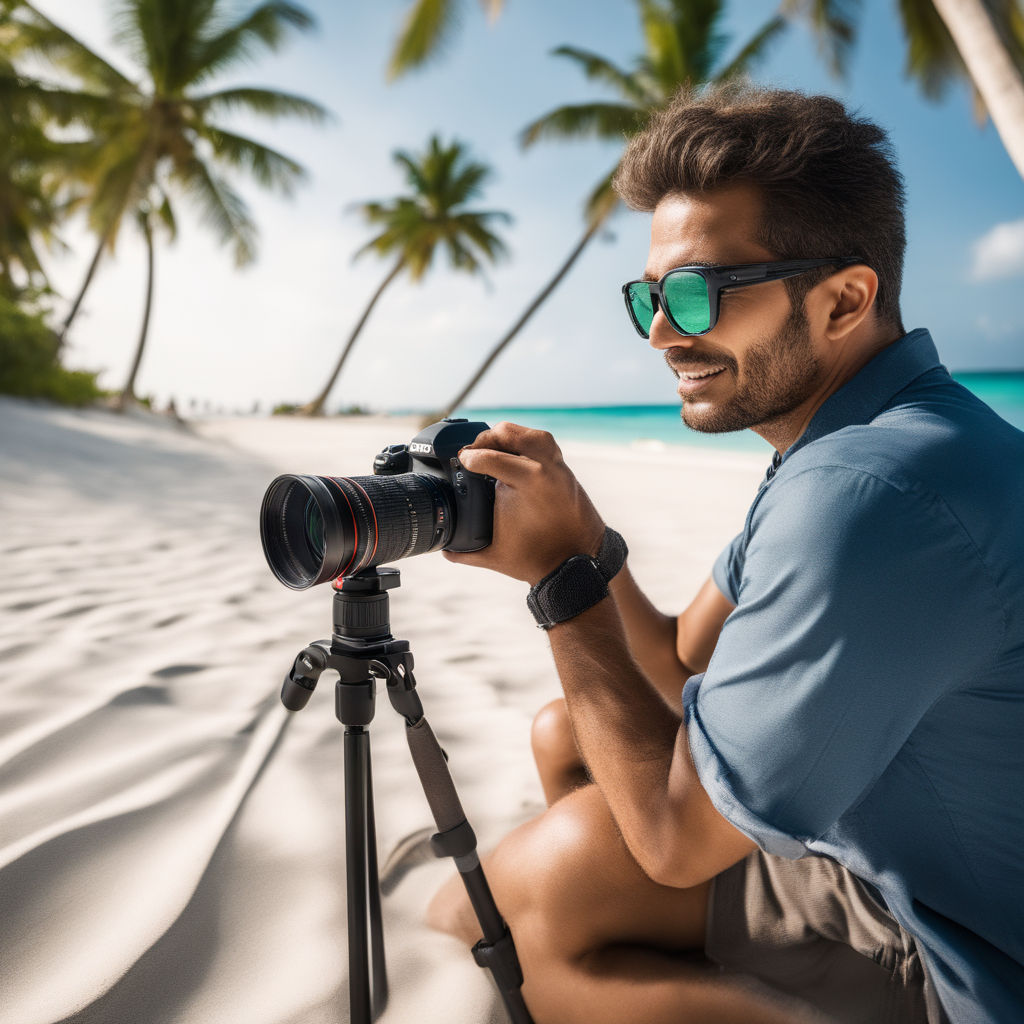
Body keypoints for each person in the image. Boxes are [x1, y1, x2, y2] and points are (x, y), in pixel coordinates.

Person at [425, 84, 1024, 1024]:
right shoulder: (865, 440)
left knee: (486, 918)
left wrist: (559, 580)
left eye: (699, 292)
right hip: (897, 849)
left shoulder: (862, 494)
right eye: (649, 296)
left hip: (969, 950)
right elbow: (671, 660)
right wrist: (580, 528)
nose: (664, 332)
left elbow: (671, 841)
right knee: (562, 735)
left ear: (844, 300)